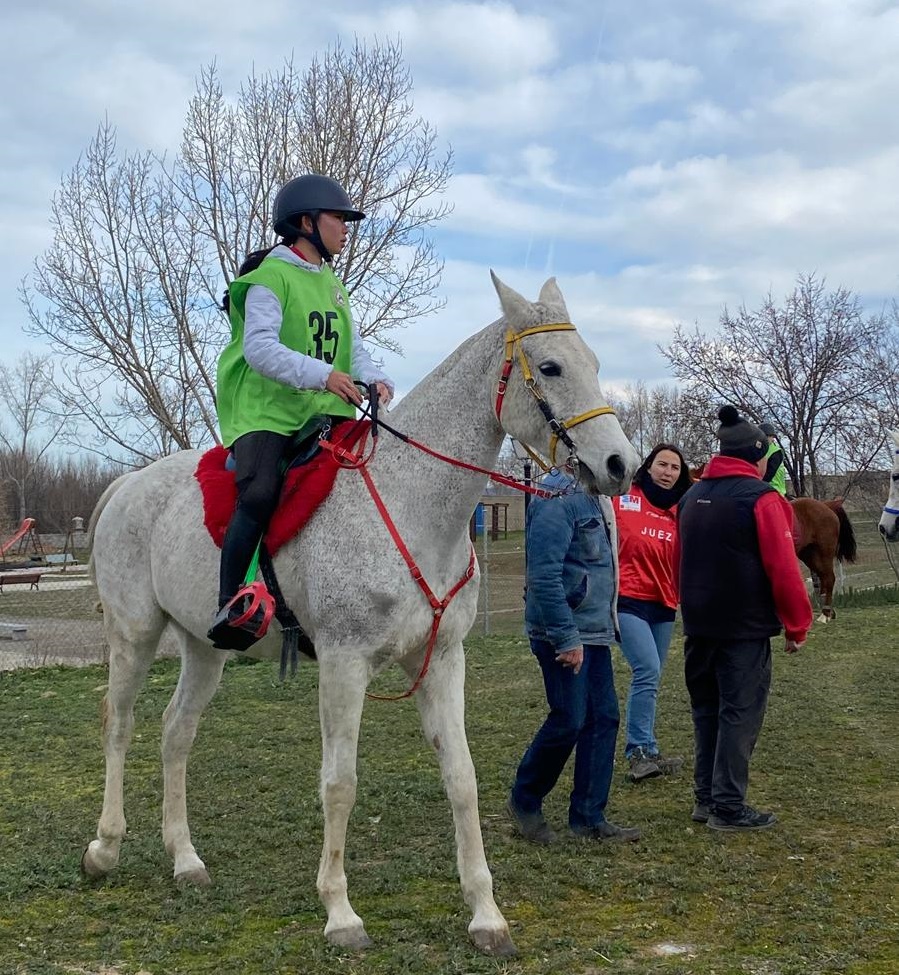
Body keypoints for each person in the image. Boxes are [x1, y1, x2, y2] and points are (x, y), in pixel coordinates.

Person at [208, 174, 394, 650]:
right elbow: (260, 349)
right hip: (265, 410)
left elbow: (351, 348)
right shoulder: (268, 278)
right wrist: (324, 375)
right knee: (261, 491)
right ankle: (231, 602)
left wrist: (373, 377)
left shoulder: (331, 283)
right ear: (307, 223)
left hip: (323, 408)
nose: (347, 229)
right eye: (339, 219)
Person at [676, 406, 812, 831]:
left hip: (699, 626)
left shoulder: (691, 497)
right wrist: (796, 623)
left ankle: (705, 798)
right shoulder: (762, 499)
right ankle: (729, 806)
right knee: (740, 712)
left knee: (706, 710)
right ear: (757, 455)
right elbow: (783, 566)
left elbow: (679, 561)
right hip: (743, 627)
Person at [507, 465, 640, 844]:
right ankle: (524, 799)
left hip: (594, 630)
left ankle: (588, 817)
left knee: (603, 718)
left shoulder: (597, 494)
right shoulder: (557, 498)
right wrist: (566, 638)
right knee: (570, 718)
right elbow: (544, 575)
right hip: (562, 631)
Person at [612, 443, 693, 783]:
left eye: (675, 467)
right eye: (662, 464)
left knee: (654, 675)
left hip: (663, 602)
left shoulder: (682, 507)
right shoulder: (624, 497)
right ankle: (637, 753)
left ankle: (648, 745)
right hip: (627, 599)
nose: (668, 472)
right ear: (648, 466)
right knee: (647, 668)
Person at [759, 421, 788, 496]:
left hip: (774, 490)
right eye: (771, 437)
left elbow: (769, 475)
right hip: (762, 488)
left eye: (772, 437)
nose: (772, 439)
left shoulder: (776, 452)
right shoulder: (758, 451)